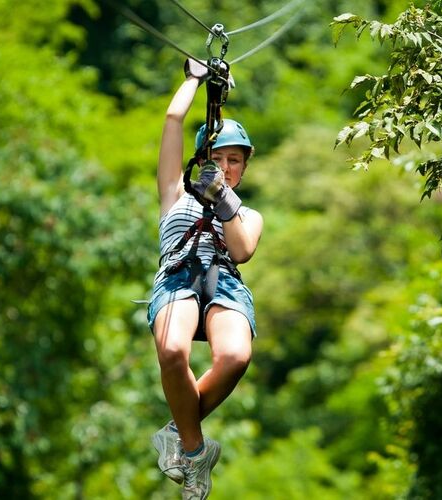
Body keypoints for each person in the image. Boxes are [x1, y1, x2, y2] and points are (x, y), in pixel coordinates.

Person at [147, 59, 263, 500]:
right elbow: (174, 119)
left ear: (244, 168)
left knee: (235, 355)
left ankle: (177, 430)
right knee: (174, 350)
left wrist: (223, 199)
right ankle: (194, 453)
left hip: (225, 282)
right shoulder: (174, 193)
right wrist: (195, 80)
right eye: (217, 158)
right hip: (178, 277)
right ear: (201, 160)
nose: (226, 166)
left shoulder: (249, 213)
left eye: (235, 160)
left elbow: (243, 250)